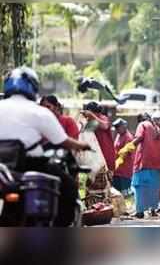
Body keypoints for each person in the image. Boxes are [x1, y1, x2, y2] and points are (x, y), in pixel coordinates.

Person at [0, 67, 91, 226]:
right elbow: (63, 141)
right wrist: (83, 145)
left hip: (3, 169)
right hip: (29, 164)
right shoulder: (39, 112)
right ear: (32, 87)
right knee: (69, 187)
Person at [131, 111, 160, 219]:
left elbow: (138, 138)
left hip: (144, 162)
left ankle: (139, 211)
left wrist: (128, 147)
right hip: (158, 163)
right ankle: (153, 209)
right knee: (153, 187)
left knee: (139, 187)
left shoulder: (143, 125)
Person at [81, 102, 116, 172]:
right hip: (96, 158)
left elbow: (105, 126)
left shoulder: (103, 118)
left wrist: (92, 116)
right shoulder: (90, 121)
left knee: (106, 180)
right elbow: (85, 133)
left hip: (106, 157)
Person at [113, 118, 135, 197]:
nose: (117, 129)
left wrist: (119, 160)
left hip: (124, 167)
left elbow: (127, 152)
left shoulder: (128, 137)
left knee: (125, 193)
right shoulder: (119, 135)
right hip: (117, 167)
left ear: (124, 126)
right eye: (116, 127)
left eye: (118, 127)